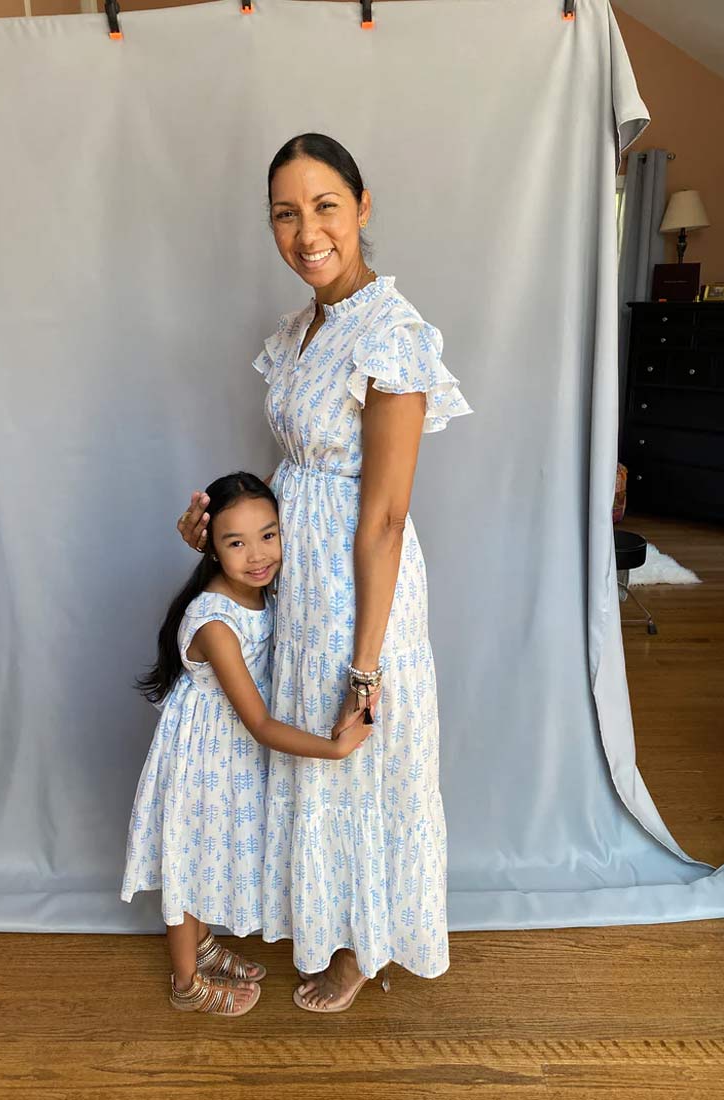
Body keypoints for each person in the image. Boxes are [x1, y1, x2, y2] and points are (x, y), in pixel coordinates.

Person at [179, 133, 472, 1013]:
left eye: (325, 206)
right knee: (315, 757)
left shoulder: (393, 333)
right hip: (300, 581)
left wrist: (366, 663)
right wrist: (221, 525)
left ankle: (362, 948)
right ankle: (327, 921)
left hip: (360, 591)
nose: (306, 231)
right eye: (285, 212)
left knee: (361, 760)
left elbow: (382, 516)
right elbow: (297, 470)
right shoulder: (302, 327)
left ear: (362, 207)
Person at [121, 471, 371, 1016]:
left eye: (269, 535)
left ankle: (203, 944)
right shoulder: (216, 622)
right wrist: (332, 748)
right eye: (236, 542)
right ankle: (186, 981)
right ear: (210, 546)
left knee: (211, 849)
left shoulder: (266, 590)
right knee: (187, 859)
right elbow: (258, 722)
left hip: (229, 755)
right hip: (202, 759)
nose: (257, 554)